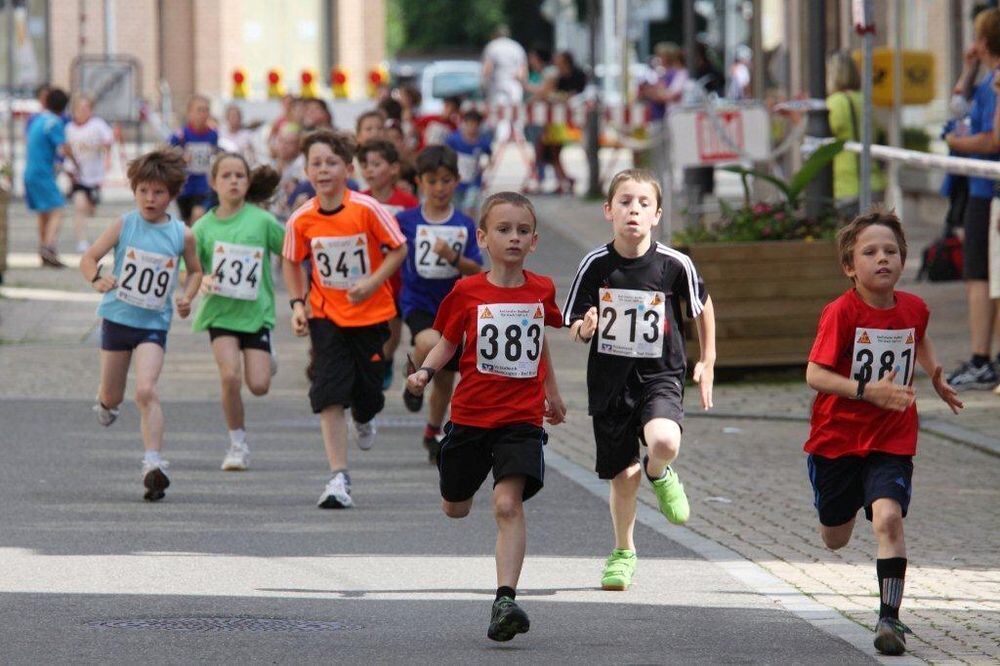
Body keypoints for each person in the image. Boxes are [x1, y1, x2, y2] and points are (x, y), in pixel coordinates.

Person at [405, 191, 565, 642]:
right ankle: (454, 476)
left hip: (521, 419)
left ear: (533, 240)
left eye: (521, 231)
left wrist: (552, 391)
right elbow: (449, 342)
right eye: (503, 229)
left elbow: (541, 337)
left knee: (506, 504)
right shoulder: (466, 291)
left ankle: (505, 600)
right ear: (483, 238)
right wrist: (425, 371)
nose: (513, 238)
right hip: (472, 416)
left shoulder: (542, 289)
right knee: (455, 508)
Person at [803, 210, 963, 656]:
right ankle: (835, 498)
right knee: (835, 537)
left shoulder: (913, 307)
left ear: (903, 260)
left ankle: (889, 619)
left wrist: (934, 373)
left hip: (891, 435)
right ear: (850, 267)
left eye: (890, 251)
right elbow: (814, 374)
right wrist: (865, 390)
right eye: (869, 252)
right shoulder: (840, 313)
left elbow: (920, 334)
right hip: (836, 438)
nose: (882, 259)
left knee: (889, 518)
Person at [563, 168, 716, 592]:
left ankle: (661, 471)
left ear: (657, 215)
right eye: (625, 202)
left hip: (661, 375)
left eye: (643, 203)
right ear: (608, 210)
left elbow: (703, 305)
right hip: (610, 384)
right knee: (623, 477)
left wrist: (708, 360)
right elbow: (572, 322)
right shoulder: (595, 265)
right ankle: (624, 551)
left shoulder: (673, 264)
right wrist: (586, 328)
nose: (634, 210)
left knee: (665, 441)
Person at [282, 130, 407, 509]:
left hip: (370, 315)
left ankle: (366, 417)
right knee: (329, 391)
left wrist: (371, 283)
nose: (323, 170)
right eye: (316, 164)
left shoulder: (366, 209)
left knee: (367, 392)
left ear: (348, 168)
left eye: (331, 162)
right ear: (306, 170)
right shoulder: (301, 218)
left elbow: (397, 249)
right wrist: (297, 305)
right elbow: (292, 260)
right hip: (326, 315)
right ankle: (338, 475)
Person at [79, 148, 203, 502]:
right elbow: (89, 258)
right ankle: (105, 403)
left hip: (153, 324)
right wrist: (97, 279)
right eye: (144, 191)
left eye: (159, 192)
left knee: (146, 390)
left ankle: (153, 464)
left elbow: (195, 271)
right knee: (113, 395)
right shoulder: (124, 224)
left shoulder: (182, 234)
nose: (151, 199)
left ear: (173, 195)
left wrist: (187, 297)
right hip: (118, 319)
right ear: (134, 191)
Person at [192, 153, 284, 471]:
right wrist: (201, 279)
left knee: (259, 385)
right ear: (213, 182)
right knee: (230, 376)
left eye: (240, 176)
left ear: (248, 182)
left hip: (256, 313)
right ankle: (237, 443)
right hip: (219, 312)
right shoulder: (202, 227)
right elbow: (188, 269)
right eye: (227, 175)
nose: (234, 181)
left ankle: (267, 349)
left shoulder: (262, 221)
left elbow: (291, 252)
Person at [397, 146, 483, 461]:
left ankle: (432, 430)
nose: (439, 188)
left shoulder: (463, 223)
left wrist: (453, 258)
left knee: (445, 379)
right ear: (420, 182)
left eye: (446, 181)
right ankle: (414, 380)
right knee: (429, 343)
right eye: (432, 181)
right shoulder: (405, 221)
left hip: (452, 308)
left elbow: (476, 269)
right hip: (417, 302)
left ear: (457, 181)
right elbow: (389, 252)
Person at [947, 6, 1000, 390]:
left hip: (988, 187)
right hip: (980, 188)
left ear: (983, 42)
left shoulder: (998, 81)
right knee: (982, 275)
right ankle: (984, 357)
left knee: (980, 276)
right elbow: (958, 105)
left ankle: (983, 357)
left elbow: (993, 138)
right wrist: (968, 69)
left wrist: (955, 143)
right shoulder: (988, 80)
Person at [358, 138, 420, 388]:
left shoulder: (408, 203)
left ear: (394, 169)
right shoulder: (357, 200)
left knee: (392, 329)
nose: (369, 170)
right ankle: (372, 363)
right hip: (369, 276)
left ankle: (386, 358)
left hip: (400, 278)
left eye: (376, 164)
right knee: (370, 328)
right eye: (365, 164)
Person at [826, 51, 887, 217]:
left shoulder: (834, 103)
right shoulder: (866, 99)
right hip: (874, 182)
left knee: (850, 239)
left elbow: (823, 136)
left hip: (847, 184)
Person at [24, 86, 73, 268]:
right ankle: (49, 247)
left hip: (30, 171)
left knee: (44, 213)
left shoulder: (38, 119)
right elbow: (63, 147)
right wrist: (75, 164)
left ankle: (43, 250)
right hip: (43, 173)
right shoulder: (55, 122)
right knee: (58, 208)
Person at [65, 94, 114, 253]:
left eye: (86, 108)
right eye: (79, 108)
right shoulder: (69, 128)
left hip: (94, 175)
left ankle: (91, 206)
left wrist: (106, 156)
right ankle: (82, 241)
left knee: (90, 209)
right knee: (79, 206)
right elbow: (65, 150)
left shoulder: (97, 125)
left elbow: (108, 141)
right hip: (78, 175)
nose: (83, 111)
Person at [538, 51, 587, 195]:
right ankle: (563, 180)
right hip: (558, 121)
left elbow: (576, 95)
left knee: (552, 151)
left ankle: (564, 180)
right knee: (551, 151)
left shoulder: (578, 75)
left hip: (573, 121)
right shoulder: (559, 77)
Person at [169, 95, 219, 226]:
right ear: (189, 113)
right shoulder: (180, 135)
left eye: (206, 110)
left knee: (198, 215)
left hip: (204, 185)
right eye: (199, 110)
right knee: (186, 223)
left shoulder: (213, 134)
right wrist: (180, 157)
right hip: (185, 185)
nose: (203, 114)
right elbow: (167, 154)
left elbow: (215, 154)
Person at [445, 109, 493, 217]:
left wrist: (485, 167)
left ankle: (469, 228)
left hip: (474, 182)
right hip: (456, 181)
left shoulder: (482, 142)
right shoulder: (454, 140)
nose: (473, 128)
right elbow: (445, 155)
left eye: (476, 125)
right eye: (470, 124)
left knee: (470, 208)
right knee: (456, 208)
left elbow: (489, 156)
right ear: (464, 123)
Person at [481, 24, 527, 107]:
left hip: (497, 84)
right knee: (514, 112)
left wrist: (483, 84)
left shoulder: (492, 46)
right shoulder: (517, 47)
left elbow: (488, 68)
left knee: (497, 113)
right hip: (514, 85)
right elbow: (522, 71)